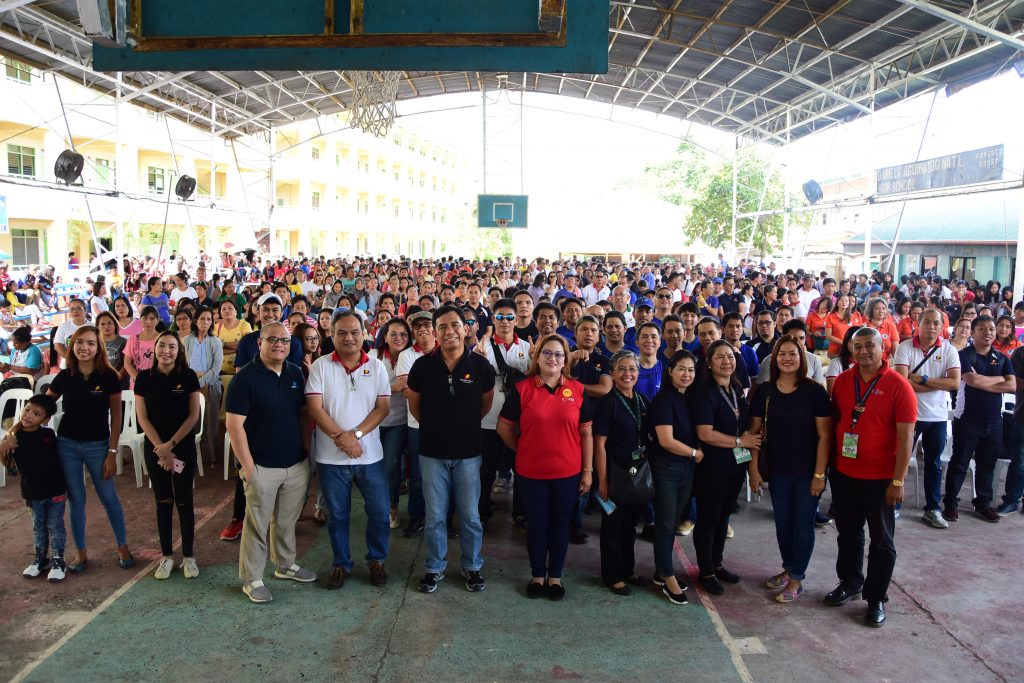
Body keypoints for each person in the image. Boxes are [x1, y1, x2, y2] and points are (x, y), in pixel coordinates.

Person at [827, 327, 916, 627]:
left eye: (869, 346)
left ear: (883, 349)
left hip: (880, 479)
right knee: (848, 533)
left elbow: (906, 439)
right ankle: (850, 582)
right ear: (850, 351)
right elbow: (836, 425)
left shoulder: (898, 386)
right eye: (858, 347)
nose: (863, 351)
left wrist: (898, 481)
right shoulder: (841, 381)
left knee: (881, 541)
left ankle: (876, 597)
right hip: (844, 474)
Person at [406, 305, 496, 594]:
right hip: (432, 453)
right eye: (442, 326)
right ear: (434, 332)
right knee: (435, 516)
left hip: (469, 454)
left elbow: (485, 404)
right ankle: (434, 566)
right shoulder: (421, 366)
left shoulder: (481, 366)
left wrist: (462, 427)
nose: (450, 331)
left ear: (466, 327)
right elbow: (415, 407)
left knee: (469, 515)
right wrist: (439, 429)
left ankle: (472, 566)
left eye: (455, 324)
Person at [497, 334, 593, 601]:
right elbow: (503, 427)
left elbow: (586, 433)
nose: (553, 359)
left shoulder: (577, 389)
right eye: (547, 353)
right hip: (531, 474)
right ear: (536, 357)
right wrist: (522, 447)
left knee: (560, 526)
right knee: (537, 525)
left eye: (559, 354)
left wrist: (588, 470)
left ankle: (555, 577)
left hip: (568, 473)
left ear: (566, 359)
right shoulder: (522, 389)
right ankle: (538, 574)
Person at [226, 321, 315, 603]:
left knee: (286, 521)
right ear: (259, 343)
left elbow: (303, 415)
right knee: (257, 525)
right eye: (272, 339)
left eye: (285, 341)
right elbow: (234, 426)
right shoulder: (245, 378)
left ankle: (285, 565)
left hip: (294, 463)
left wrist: (306, 455)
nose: (279, 345)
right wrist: (249, 468)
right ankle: (252, 579)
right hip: (261, 466)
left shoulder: (295, 373)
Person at [306, 311, 392, 589]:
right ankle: (341, 563)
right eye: (341, 332)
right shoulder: (320, 366)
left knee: (379, 511)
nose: (349, 337)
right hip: (331, 459)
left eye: (355, 332)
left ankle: (376, 560)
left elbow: (383, 408)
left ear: (365, 333)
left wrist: (354, 436)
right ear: (331, 335)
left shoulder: (377, 366)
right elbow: (315, 408)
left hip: (371, 456)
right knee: (338, 515)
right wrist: (340, 439)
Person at [748, 336, 832, 603]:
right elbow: (754, 433)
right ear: (774, 359)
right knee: (783, 524)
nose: (787, 358)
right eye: (781, 354)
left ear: (803, 359)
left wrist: (819, 475)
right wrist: (753, 470)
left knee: (803, 524)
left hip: (808, 471)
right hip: (777, 470)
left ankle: (797, 578)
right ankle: (788, 567)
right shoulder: (765, 391)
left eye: (793, 354)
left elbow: (825, 437)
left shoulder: (815, 391)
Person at [46, 325, 134, 573]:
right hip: (66, 446)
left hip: (98, 447)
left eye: (90, 343)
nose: (84, 347)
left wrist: (112, 453)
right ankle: (81, 551)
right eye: (79, 342)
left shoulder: (108, 376)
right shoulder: (65, 375)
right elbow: (44, 404)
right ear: (72, 345)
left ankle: (122, 546)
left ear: (98, 348)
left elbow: (116, 417)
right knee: (77, 501)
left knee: (109, 497)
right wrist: (18, 427)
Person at [691, 339, 760, 595]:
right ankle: (705, 570)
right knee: (709, 519)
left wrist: (747, 462)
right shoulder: (704, 392)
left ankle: (717, 563)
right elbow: (705, 433)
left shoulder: (736, 388)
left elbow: (741, 427)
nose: (726, 361)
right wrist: (740, 441)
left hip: (735, 465)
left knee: (723, 517)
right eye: (720, 357)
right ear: (709, 363)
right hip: (712, 466)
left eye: (730, 356)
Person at [134, 331, 202, 580]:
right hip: (155, 449)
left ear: (179, 351)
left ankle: (189, 556)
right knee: (163, 501)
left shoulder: (188, 376)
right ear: (155, 349)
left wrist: (171, 444)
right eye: (162, 345)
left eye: (172, 347)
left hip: (182, 447)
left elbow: (193, 415)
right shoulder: (144, 378)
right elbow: (142, 417)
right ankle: (166, 556)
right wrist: (161, 449)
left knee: (184, 501)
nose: (166, 351)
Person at [943, 315, 1015, 523]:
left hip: (995, 421)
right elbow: (971, 380)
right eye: (982, 329)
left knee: (987, 464)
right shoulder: (964, 355)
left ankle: (982, 503)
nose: (989, 333)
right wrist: (999, 378)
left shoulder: (1001, 358)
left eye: (992, 329)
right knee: (959, 463)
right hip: (967, 420)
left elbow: (1012, 386)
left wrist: (987, 381)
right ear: (973, 333)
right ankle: (950, 503)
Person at [893, 309, 961, 528]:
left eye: (936, 323)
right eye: (927, 323)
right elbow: (901, 383)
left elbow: (954, 384)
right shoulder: (904, 348)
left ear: (942, 327)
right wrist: (936, 382)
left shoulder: (949, 351)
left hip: (938, 416)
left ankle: (932, 508)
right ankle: (893, 504)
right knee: (898, 459)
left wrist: (921, 379)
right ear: (917, 324)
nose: (931, 327)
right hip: (908, 415)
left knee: (933, 463)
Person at [593, 350, 651, 596]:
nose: (628, 374)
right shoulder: (608, 402)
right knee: (613, 526)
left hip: (636, 474)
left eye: (633, 369)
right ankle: (612, 575)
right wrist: (603, 480)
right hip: (615, 473)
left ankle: (628, 569)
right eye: (622, 369)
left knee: (630, 525)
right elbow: (599, 444)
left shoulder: (641, 400)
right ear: (613, 373)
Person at [648, 349, 701, 604]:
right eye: (682, 369)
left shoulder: (687, 399)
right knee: (666, 524)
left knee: (673, 520)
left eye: (691, 370)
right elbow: (666, 441)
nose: (687, 374)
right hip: (667, 469)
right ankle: (667, 576)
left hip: (686, 470)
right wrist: (694, 453)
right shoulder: (664, 400)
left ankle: (661, 571)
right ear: (670, 371)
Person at [478, 299, 532, 530]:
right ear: (493, 319)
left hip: (520, 422)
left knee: (521, 468)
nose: (505, 322)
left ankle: (520, 511)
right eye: (499, 317)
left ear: (517, 320)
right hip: (489, 420)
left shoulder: (528, 349)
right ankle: (481, 510)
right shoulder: (483, 348)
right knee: (486, 469)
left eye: (510, 317)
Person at [0, 395, 66, 581]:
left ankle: (58, 561)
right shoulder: (14, 438)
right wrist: (4, 445)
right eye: (27, 409)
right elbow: (7, 465)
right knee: (38, 527)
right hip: (32, 492)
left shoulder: (48, 435)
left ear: (45, 420)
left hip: (55, 491)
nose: (28, 415)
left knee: (55, 526)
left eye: (36, 414)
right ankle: (40, 560)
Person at [394, 310, 436, 538]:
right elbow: (407, 390)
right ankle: (417, 516)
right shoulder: (407, 355)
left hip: (444, 425)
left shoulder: (445, 350)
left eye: (426, 324)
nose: (422, 329)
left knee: (443, 474)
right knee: (418, 475)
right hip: (417, 424)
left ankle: (444, 517)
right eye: (417, 326)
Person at [375, 318, 412, 529]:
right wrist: (393, 388)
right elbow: (367, 390)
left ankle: (392, 506)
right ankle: (378, 505)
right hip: (375, 422)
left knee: (391, 465)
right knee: (374, 468)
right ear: (385, 336)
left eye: (404, 335)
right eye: (394, 334)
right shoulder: (374, 357)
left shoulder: (412, 357)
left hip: (399, 422)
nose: (399, 338)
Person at [183, 308, 224, 464]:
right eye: (202, 319)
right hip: (190, 386)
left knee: (211, 422)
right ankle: (193, 457)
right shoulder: (187, 340)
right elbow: (182, 365)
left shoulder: (215, 341)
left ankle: (214, 458)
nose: (205, 322)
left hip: (210, 385)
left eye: (209, 319)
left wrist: (200, 382)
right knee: (192, 421)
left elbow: (216, 368)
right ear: (195, 321)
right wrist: (192, 383)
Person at [124, 306, 162, 388]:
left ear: (157, 320)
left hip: (158, 383)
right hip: (137, 384)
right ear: (140, 320)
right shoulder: (133, 339)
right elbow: (127, 363)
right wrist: (139, 379)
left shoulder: (162, 339)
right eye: (145, 318)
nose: (148, 322)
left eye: (152, 318)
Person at [215, 299, 252, 375]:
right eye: (223, 309)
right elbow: (214, 350)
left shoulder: (244, 325)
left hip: (241, 371)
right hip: (219, 371)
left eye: (230, 308)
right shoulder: (216, 327)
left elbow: (247, 346)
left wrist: (223, 344)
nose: (227, 311)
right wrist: (238, 350)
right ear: (220, 313)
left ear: (236, 311)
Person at [53, 298, 88, 368]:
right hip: (68, 365)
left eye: (79, 308)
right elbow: (58, 346)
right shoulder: (63, 326)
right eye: (72, 309)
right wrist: (72, 360)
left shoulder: (93, 326)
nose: (75, 311)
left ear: (85, 309)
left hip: (88, 365)